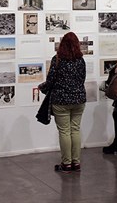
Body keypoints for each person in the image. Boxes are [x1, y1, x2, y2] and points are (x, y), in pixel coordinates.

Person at [39, 32, 86, 173]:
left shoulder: (58, 59)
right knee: (75, 130)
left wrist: (43, 87)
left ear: (62, 44)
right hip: (79, 99)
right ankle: (76, 163)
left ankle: (66, 164)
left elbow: (51, 80)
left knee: (64, 131)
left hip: (61, 100)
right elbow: (82, 79)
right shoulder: (80, 60)